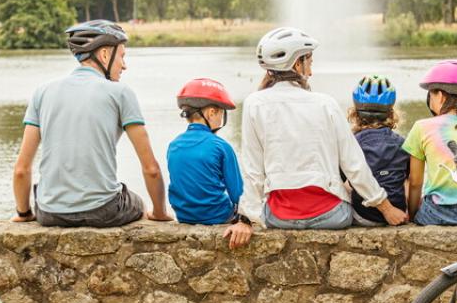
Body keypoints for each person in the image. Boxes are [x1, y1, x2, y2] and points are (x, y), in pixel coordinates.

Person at [224, 27, 408, 242]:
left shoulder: (254, 103)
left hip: (279, 217)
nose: (310, 72)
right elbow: (354, 165)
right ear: (297, 64)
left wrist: (244, 219)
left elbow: (253, 171)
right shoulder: (325, 103)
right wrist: (386, 209)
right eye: (309, 63)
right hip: (331, 216)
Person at [12, 20, 172, 227]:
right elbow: (151, 168)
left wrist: (24, 213)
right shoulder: (121, 92)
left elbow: (21, 169)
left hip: (49, 213)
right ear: (105, 54)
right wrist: (159, 212)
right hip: (103, 211)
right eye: (122, 56)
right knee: (138, 204)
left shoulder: (42, 92)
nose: (124, 65)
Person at [402, 59, 457, 226]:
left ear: (441, 96)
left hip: (439, 213)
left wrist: (414, 216)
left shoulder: (421, 127)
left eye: (431, 93)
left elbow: (415, 182)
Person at [167, 79, 251, 245]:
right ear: (211, 112)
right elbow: (238, 192)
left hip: (184, 216)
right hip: (217, 216)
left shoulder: (173, 145)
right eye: (221, 113)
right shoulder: (221, 146)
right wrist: (246, 219)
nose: (222, 118)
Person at [347, 76, 410, 226]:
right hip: (398, 211)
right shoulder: (402, 143)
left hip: (364, 215)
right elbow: (408, 180)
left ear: (355, 113)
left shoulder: (352, 143)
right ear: (391, 113)